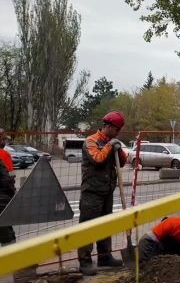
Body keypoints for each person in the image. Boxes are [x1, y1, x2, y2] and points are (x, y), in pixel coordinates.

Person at [77, 111, 129, 276]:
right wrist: (109, 145)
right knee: (88, 227)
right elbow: (97, 159)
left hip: (107, 190)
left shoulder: (112, 142)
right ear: (108, 126)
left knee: (105, 225)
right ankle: (84, 262)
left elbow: (122, 162)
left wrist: (119, 150)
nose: (118, 133)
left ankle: (104, 256)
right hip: (91, 192)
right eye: (117, 129)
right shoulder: (91, 141)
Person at [0, 128, 16, 247]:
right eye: (3, 138)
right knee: (7, 238)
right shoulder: (4, 154)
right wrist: (13, 194)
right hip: (2, 202)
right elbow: (9, 179)